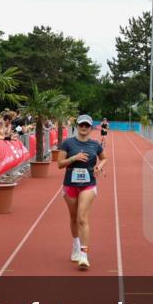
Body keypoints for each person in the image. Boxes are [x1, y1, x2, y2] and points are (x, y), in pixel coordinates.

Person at [57, 114, 106, 270]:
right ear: (77, 126)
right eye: (81, 125)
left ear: (91, 128)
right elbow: (59, 164)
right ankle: (76, 244)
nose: (84, 128)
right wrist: (74, 158)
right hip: (70, 184)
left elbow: (104, 158)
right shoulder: (68, 143)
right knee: (73, 217)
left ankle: (84, 254)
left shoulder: (95, 144)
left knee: (82, 217)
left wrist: (99, 166)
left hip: (88, 184)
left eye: (87, 125)